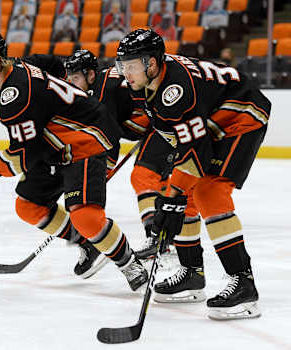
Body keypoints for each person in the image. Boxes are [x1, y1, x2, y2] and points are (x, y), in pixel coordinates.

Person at [0, 30, 148, 289]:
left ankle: (128, 262)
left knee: (86, 217)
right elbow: (54, 66)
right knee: (28, 207)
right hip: (53, 144)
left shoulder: (16, 92)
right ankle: (88, 245)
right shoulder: (13, 74)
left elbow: (23, 155)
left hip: (86, 138)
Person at [115, 29, 270, 319]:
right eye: (122, 66)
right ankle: (191, 273)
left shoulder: (176, 90)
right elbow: (184, 143)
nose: (126, 73)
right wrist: (173, 198)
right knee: (183, 193)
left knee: (208, 190)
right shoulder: (154, 82)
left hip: (242, 115)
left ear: (151, 63)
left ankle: (244, 284)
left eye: (131, 65)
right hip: (212, 118)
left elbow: (196, 152)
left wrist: (171, 197)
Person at [65, 50, 175, 262]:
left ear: (90, 75)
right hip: (161, 118)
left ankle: (156, 239)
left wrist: (99, 172)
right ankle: (169, 235)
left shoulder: (102, 91)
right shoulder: (101, 85)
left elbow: (108, 140)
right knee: (157, 181)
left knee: (143, 175)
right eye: (69, 79)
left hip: (166, 119)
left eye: (76, 78)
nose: (72, 83)